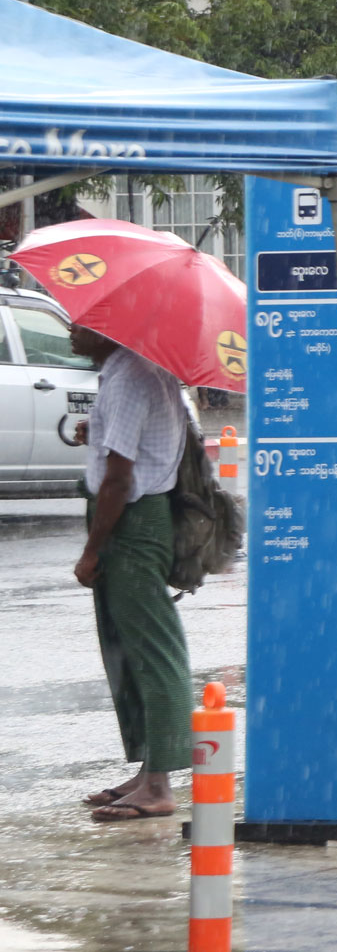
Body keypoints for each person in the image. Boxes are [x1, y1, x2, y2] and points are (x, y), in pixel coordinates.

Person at [68, 324, 192, 822]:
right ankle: (147, 772)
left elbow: (119, 480)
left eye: (82, 324)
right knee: (127, 649)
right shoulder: (140, 368)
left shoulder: (128, 378)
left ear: (109, 330)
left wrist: (92, 550)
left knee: (154, 651)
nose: (72, 330)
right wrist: (95, 432)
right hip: (134, 519)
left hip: (132, 524)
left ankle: (159, 785)